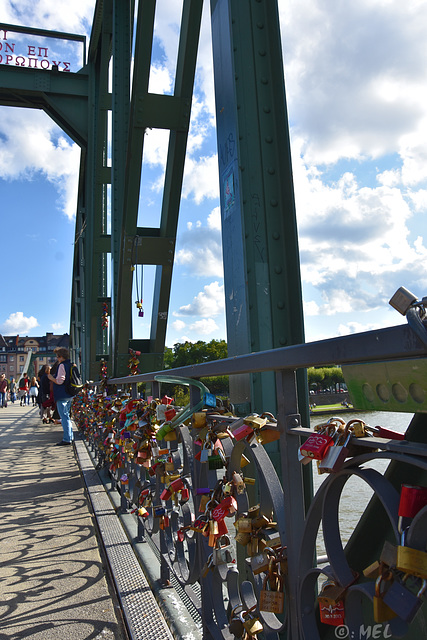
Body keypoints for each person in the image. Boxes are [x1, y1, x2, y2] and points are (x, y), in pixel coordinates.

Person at [48, 348, 73, 445]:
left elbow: (59, 381)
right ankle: (70, 436)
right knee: (67, 416)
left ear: (61, 357)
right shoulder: (70, 364)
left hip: (62, 394)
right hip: (69, 394)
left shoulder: (62, 365)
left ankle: (67, 439)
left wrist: (51, 378)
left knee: (64, 417)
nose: (57, 359)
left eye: (57, 356)